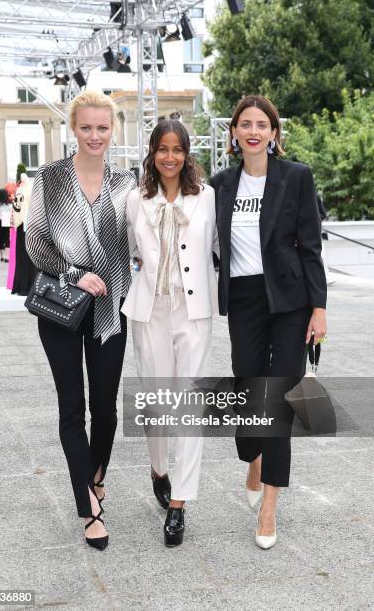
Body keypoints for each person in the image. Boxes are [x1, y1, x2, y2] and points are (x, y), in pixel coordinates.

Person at [210, 95, 327, 549]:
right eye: (245, 124)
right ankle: (253, 455)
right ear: (235, 133)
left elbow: (311, 246)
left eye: (262, 123)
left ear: (274, 133)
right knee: (248, 385)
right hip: (243, 300)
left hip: (291, 298)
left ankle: (269, 506)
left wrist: (319, 308)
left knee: (278, 395)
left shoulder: (295, 177)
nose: (254, 130)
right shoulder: (221, 184)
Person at [26, 91, 136, 551]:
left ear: (113, 130)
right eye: (87, 127)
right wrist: (77, 274)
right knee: (72, 408)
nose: (95, 136)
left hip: (111, 310)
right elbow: (36, 242)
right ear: (74, 128)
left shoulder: (126, 182)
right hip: (61, 311)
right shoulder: (49, 178)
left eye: (103, 128)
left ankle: (94, 473)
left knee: (106, 409)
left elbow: (140, 238)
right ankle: (89, 506)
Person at [121, 119, 219, 547]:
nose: (170, 157)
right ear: (152, 153)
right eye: (162, 149)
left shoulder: (207, 198)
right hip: (150, 312)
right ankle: (158, 469)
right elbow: (130, 252)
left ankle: (179, 503)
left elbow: (218, 247)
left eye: (177, 149)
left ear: (187, 154)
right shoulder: (134, 200)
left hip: (193, 311)